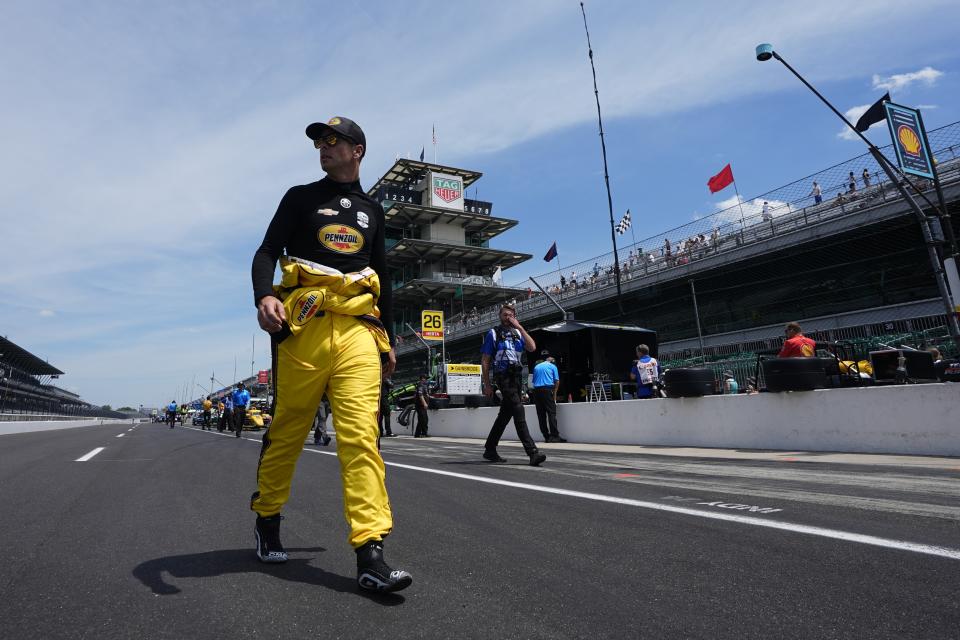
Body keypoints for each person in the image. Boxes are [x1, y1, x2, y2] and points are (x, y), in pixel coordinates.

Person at [248, 115, 411, 592]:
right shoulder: (299, 197)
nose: (324, 147)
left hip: (359, 331)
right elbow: (265, 252)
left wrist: (389, 340)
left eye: (333, 140)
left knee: (361, 436)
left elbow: (383, 279)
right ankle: (268, 518)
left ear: (357, 149)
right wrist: (264, 296)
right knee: (288, 431)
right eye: (320, 141)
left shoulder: (373, 211)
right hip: (304, 329)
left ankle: (370, 552)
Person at [480, 303, 546, 466]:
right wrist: (487, 384)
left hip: (516, 377)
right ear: (500, 316)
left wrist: (520, 327)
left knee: (505, 415)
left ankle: (490, 449)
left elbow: (532, 347)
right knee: (518, 409)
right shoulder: (493, 333)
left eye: (510, 315)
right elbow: (485, 360)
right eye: (505, 315)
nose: (507, 318)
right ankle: (532, 452)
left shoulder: (518, 332)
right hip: (503, 375)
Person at [532, 350, 565, 443]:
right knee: (551, 413)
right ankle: (555, 436)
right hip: (547, 390)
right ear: (551, 359)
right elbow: (557, 381)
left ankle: (546, 436)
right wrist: (554, 395)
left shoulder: (536, 367)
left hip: (536, 391)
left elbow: (533, 382)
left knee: (541, 415)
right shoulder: (552, 366)